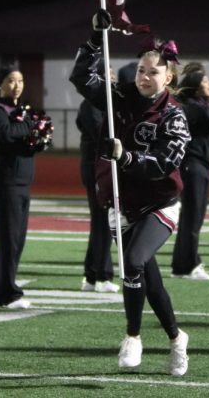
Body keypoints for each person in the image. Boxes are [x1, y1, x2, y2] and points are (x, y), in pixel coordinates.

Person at [70, 10, 191, 376]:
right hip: (120, 204)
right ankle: (176, 337)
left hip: (160, 204)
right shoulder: (118, 96)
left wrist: (124, 156)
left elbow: (161, 164)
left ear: (169, 76)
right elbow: (80, 76)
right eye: (141, 70)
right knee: (147, 279)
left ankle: (133, 335)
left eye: (153, 72)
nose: (144, 77)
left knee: (134, 262)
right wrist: (95, 37)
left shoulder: (175, 116)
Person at [0, 66, 40, 309]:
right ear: (1, 85)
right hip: (6, 183)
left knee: (16, 240)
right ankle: (8, 292)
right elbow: (7, 133)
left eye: (20, 80)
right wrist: (31, 128)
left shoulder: (22, 111)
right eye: (10, 80)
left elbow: (27, 141)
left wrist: (41, 138)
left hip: (21, 183)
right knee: (9, 240)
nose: (16, 85)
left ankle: (1, 291)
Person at [171, 62, 209, 280]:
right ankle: (188, 265)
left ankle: (183, 264)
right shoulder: (191, 107)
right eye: (205, 81)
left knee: (193, 217)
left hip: (200, 164)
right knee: (193, 216)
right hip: (192, 165)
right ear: (195, 86)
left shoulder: (200, 106)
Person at [77, 63, 119, 293]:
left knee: (101, 220)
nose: (113, 78)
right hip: (95, 167)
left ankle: (93, 275)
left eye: (113, 73)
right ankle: (101, 275)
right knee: (103, 219)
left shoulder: (104, 105)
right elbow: (102, 134)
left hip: (101, 166)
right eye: (108, 74)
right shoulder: (91, 104)